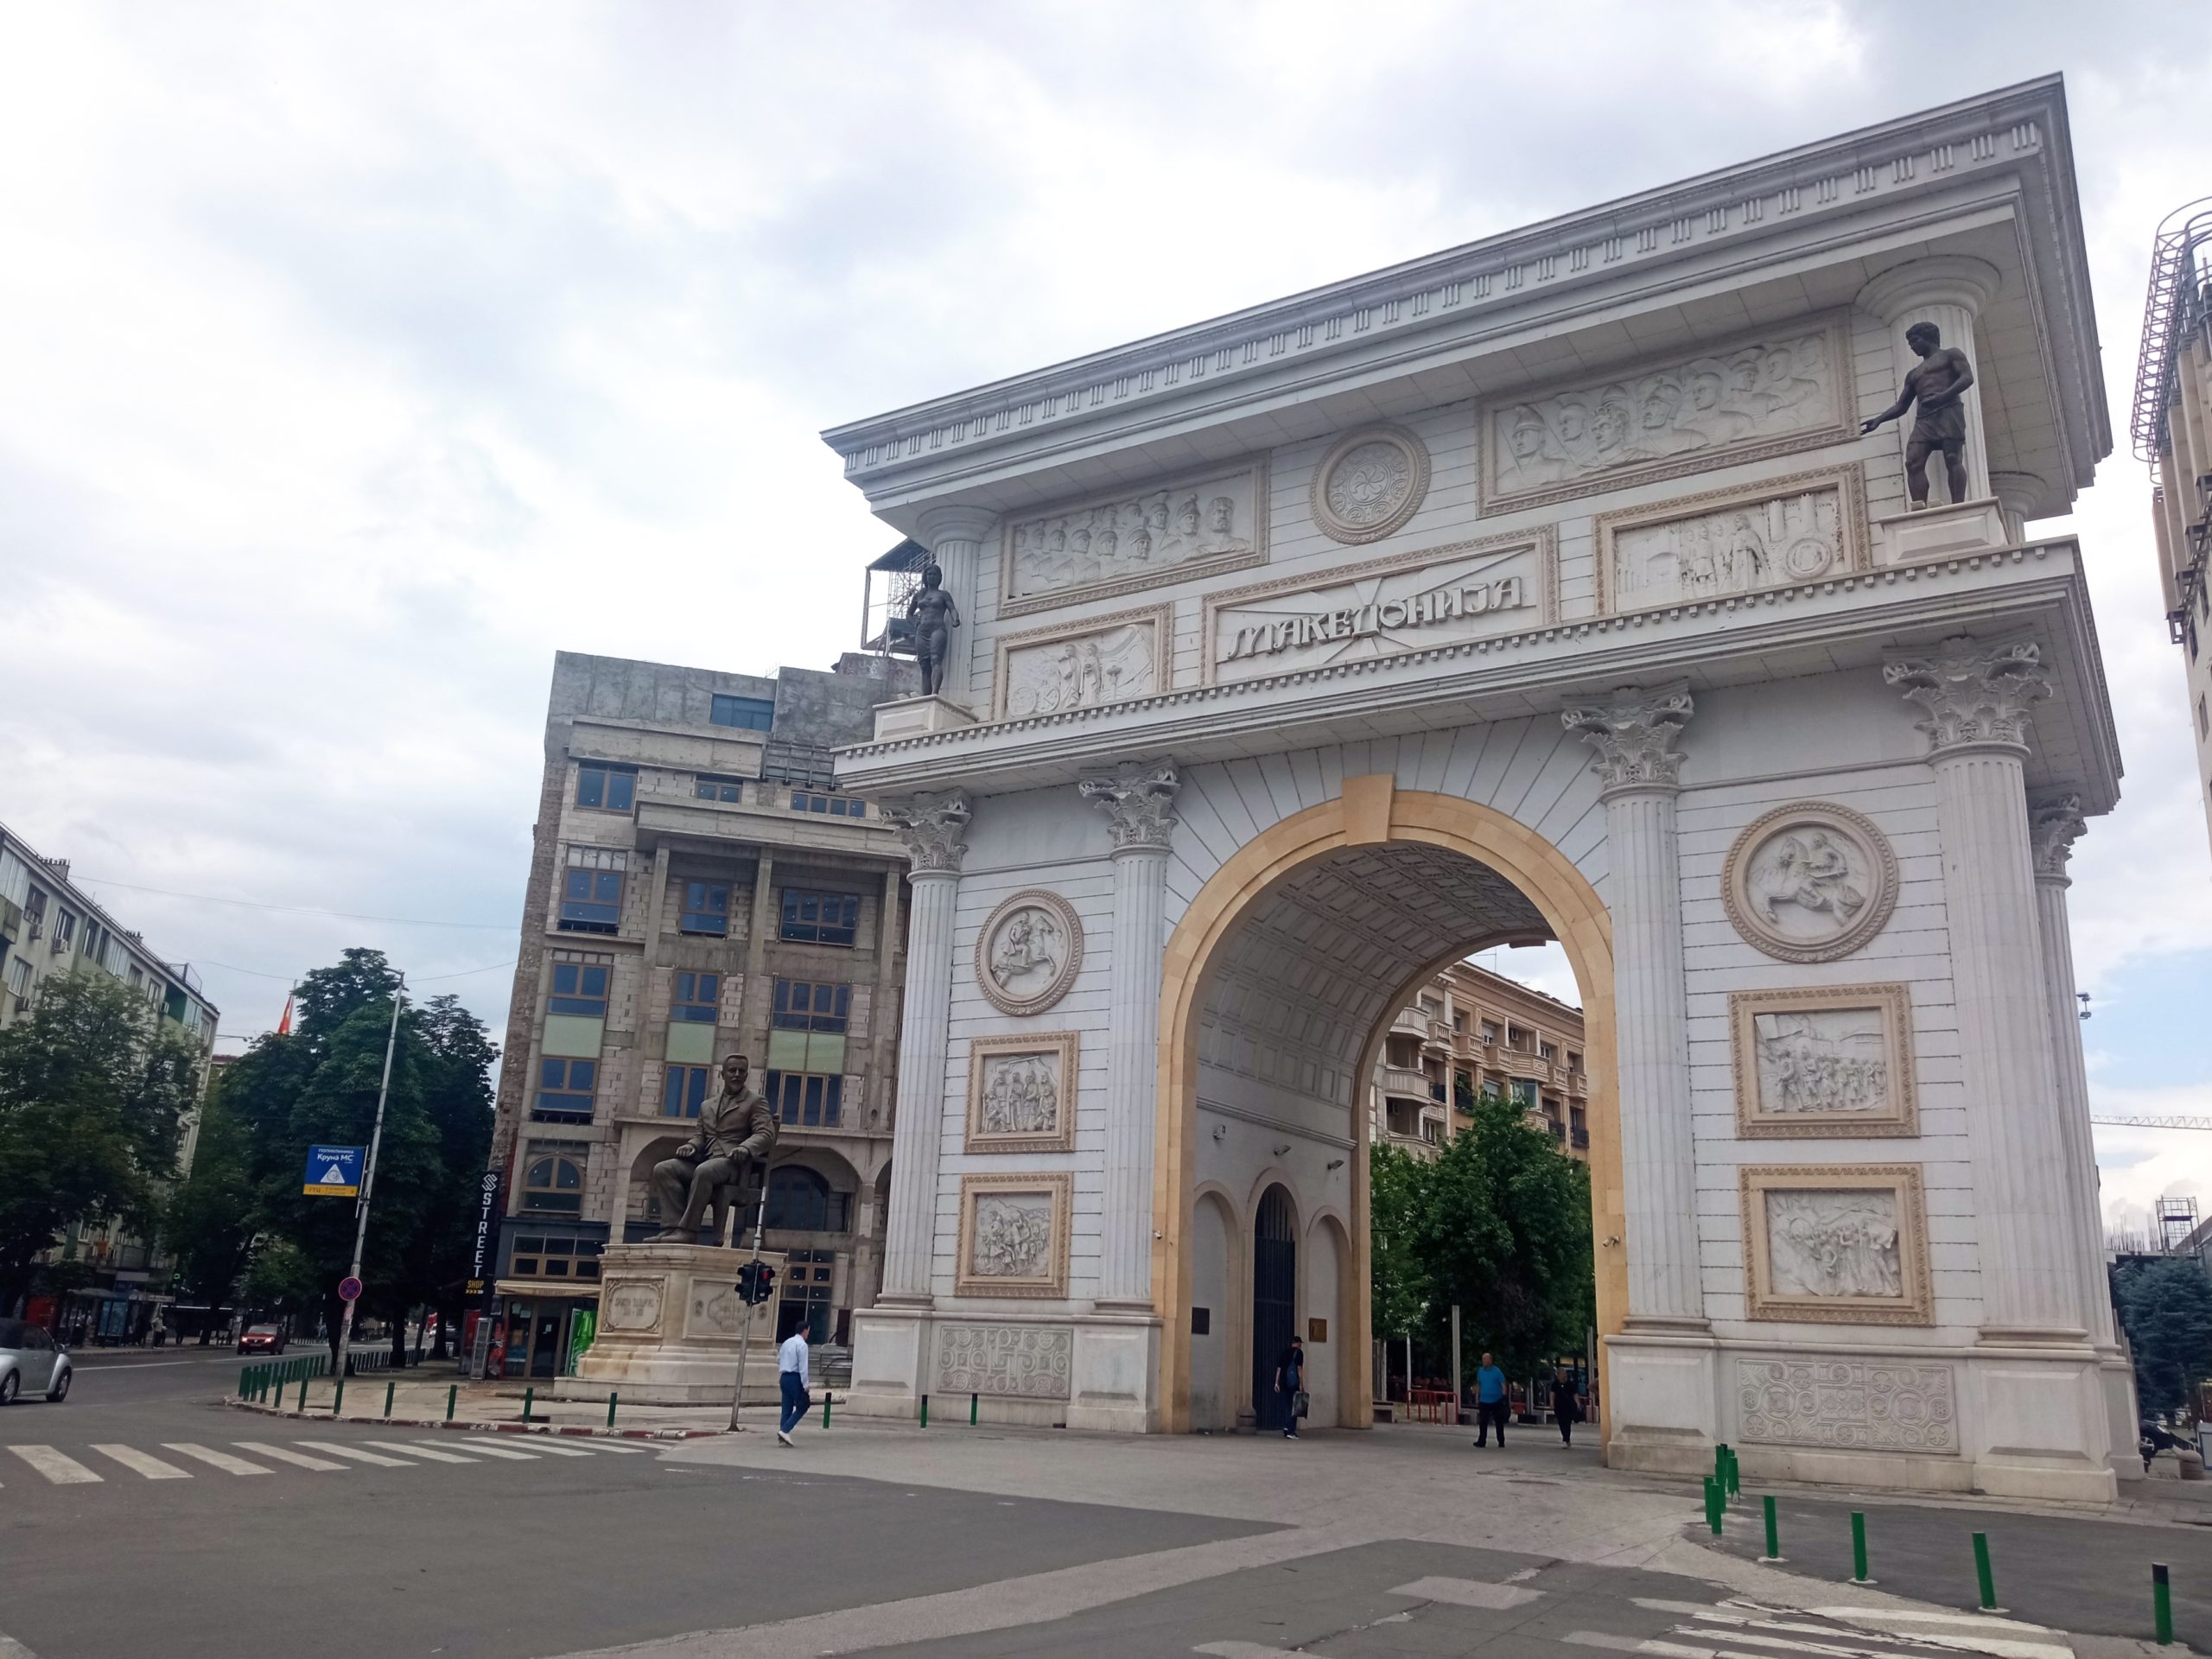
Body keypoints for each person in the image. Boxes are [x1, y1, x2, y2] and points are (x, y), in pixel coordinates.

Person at [649, 1053, 778, 1243]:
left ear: (746, 1075)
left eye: (741, 1071)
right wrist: (691, 1145)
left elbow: (766, 1134)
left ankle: (688, 1231)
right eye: (732, 1070)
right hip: (707, 1160)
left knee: (704, 1171)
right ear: (722, 1074)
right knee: (664, 1169)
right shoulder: (707, 1105)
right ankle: (672, 1227)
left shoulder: (755, 1101)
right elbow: (700, 1136)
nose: (736, 1075)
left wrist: (745, 1148)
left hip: (733, 1165)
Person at [1860, 321, 1976, 509]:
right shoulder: (1914, 374)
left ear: (1928, 338)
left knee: (1953, 458)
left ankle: (1958, 506)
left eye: (1915, 341)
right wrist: (1879, 420)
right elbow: (1902, 406)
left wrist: (1943, 397)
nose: (1912, 346)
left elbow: (1967, 377)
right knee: (1913, 462)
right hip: (1924, 419)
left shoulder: (1951, 355)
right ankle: (1919, 506)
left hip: (1948, 411)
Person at [776, 1325, 810, 1447]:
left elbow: (778, 1358)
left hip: (784, 1376)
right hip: (795, 1377)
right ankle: (785, 1430)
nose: (808, 1334)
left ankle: (783, 1437)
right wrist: (805, 1384)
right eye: (808, 1331)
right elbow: (803, 1367)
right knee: (803, 1405)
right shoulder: (802, 1345)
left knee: (786, 1408)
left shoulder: (786, 1342)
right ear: (805, 1330)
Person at [1471, 1351, 1509, 1448]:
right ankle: (1482, 1441)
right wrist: (1477, 1396)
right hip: (1484, 1400)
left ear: (1490, 1360)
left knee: (1498, 1422)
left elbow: (1503, 1384)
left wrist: (1504, 1397)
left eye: (1485, 1359)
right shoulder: (1480, 1371)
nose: (1483, 1361)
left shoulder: (1497, 1371)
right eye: (1483, 1359)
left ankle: (1501, 1441)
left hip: (1496, 1400)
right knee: (1483, 1422)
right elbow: (1479, 1384)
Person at [1273, 1335, 1306, 1440]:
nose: (1300, 1345)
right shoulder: (1299, 1353)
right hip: (1293, 1383)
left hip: (1283, 1383)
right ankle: (1291, 1431)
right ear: (1298, 1343)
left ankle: (1287, 1427)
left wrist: (1276, 1383)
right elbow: (1299, 1369)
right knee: (1295, 1407)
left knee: (1287, 1406)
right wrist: (1301, 1384)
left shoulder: (1284, 1352)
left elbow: (1279, 1369)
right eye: (1300, 1343)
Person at [1550, 1368, 1583, 1447]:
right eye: (1562, 1374)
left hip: (1569, 1406)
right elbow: (1552, 1394)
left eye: (1564, 1373)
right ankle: (1566, 1438)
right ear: (1558, 1375)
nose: (1564, 1375)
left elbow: (1575, 1394)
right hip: (1558, 1406)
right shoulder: (1555, 1384)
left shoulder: (1570, 1384)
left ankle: (1566, 1439)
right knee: (1561, 1423)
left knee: (1567, 1423)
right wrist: (1552, 1403)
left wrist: (1578, 1403)